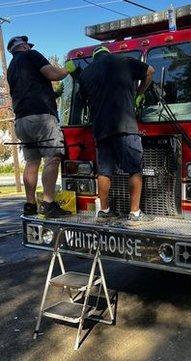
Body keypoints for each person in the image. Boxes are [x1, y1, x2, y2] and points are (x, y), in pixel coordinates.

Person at [78, 46, 155, 222]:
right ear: (108, 53)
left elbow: (83, 98)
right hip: (125, 126)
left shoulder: (86, 73)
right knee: (134, 169)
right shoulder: (123, 61)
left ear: (94, 57)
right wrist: (138, 93)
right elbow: (150, 71)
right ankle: (135, 213)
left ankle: (104, 211)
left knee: (104, 171)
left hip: (101, 130)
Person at [7, 35, 75, 218]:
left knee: (32, 162)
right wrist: (67, 70)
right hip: (41, 119)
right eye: (27, 45)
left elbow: (31, 88)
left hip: (22, 121)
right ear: (23, 46)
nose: (29, 47)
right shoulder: (32, 55)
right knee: (52, 158)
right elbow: (53, 74)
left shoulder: (11, 67)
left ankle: (30, 205)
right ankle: (48, 203)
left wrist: (54, 94)